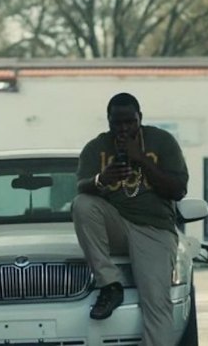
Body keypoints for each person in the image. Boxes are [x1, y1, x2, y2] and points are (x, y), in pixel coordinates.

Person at [72, 92, 189, 345]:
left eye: (130, 122)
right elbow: (81, 187)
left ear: (140, 119)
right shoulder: (96, 147)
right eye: (117, 123)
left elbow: (178, 189)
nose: (124, 129)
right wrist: (102, 179)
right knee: (82, 204)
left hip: (154, 229)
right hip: (116, 225)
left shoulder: (162, 141)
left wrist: (141, 160)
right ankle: (110, 284)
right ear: (108, 121)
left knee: (157, 303)